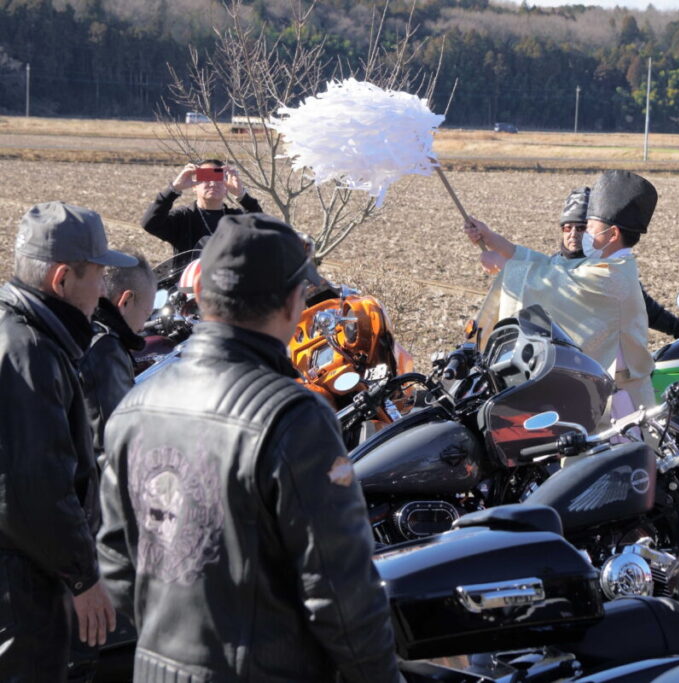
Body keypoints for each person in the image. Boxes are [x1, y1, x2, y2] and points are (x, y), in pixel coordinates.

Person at [97, 213, 400, 682]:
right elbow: (340, 592)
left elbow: (117, 563)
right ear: (293, 302)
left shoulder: (135, 405)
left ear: (199, 295)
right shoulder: (293, 417)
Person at [0, 202, 130, 678]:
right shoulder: (28, 351)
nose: (104, 291)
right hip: (21, 586)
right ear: (61, 280)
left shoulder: (19, 332)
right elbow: (35, 485)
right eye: (97, 275)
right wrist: (83, 577)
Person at [468, 169, 657, 412]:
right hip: (607, 390)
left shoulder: (612, 274)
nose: (583, 235)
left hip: (621, 400)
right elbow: (552, 267)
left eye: (589, 227)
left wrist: (506, 268)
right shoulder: (607, 263)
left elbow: (555, 284)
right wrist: (493, 239)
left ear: (613, 234)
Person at [555, 186, 679, 339]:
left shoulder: (610, 267)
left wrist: (676, 327)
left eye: (581, 228)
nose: (573, 234)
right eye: (567, 228)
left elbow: (639, 305)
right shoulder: (550, 267)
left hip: (600, 355)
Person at [80, 252, 157, 460]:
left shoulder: (83, 328)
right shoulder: (106, 351)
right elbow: (113, 443)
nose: (143, 326)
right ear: (126, 301)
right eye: (146, 314)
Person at [141, 159, 262, 257]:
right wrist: (174, 189)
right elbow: (150, 224)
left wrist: (242, 196)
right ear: (194, 186)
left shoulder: (237, 219)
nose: (213, 183)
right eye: (207, 177)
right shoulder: (183, 218)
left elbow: (263, 230)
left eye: (218, 178)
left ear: (226, 187)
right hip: (188, 284)